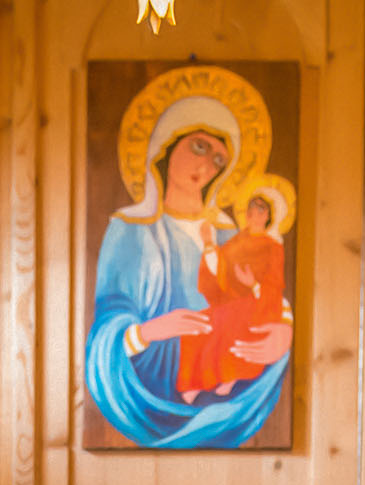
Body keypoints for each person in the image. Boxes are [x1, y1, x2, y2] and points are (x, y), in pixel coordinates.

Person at [83, 70, 294, 449]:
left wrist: (284, 332)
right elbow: (106, 328)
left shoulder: (231, 231)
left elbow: (265, 287)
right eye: (199, 147)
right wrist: (150, 331)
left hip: (233, 394)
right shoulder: (129, 230)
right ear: (166, 145)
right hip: (149, 387)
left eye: (218, 159)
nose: (209, 166)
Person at [178, 180, 288, 402]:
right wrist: (209, 244)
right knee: (194, 328)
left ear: (269, 216)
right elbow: (217, 273)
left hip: (256, 307)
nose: (253, 213)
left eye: (260, 209)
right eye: (250, 208)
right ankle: (194, 383)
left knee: (223, 324)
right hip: (228, 303)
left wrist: (252, 285)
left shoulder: (273, 248)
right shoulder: (237, 242)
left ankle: (226, 377)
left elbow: (274, 286)